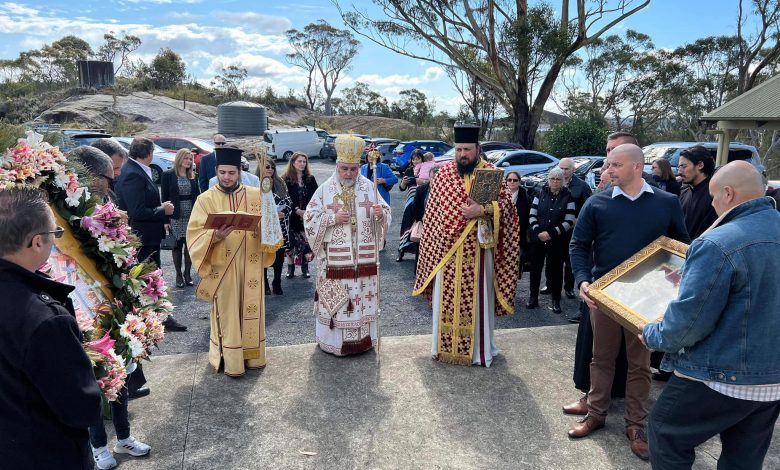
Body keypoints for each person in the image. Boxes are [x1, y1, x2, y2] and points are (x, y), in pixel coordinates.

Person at [642, 161, 780, 469]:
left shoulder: (717, 242)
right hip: (772, 380)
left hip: (720, 375)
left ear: (728, 193)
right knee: (744, 458)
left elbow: (688, 324)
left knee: (665, 432)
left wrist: (652, 335)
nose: (713, 204)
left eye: (715, 198)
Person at [567, 143, 690, 461]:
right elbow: (578, 244)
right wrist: (583, 280)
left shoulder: (667, 203)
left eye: (615, 165)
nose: (608, 170)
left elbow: (681, 247)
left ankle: (636, 425)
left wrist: (670, 283)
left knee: (640, 365)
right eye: (608, 164)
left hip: (646, 303)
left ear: (638, 167)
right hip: (604, 297)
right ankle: (596, 414)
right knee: (601, 359)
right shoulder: (597, 203)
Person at [0, 187, 102, 470]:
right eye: (55, 234)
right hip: (42, 452)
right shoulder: (44, 319)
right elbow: (81, 408)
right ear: (36, 242)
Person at [413, 124, 520, 367]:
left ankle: (479, 352)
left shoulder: (491, 173)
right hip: (447, 253)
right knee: (447, 302)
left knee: (479, 301)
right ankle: (443, 348)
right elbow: (433, 215)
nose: (462, 154)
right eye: (459, 149)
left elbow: (508, 209)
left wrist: (481, 210)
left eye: (467, 149)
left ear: (478, 149)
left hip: (481, 253)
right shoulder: (443, 174)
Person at [187, 146, 283, 377]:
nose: (227, 177)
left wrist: (266, 223)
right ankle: (231, 360)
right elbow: (194, 234)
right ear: (216, 172)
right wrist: (215, 236)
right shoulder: (205, 199)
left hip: (251, 262)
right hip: (223, 267)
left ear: (239, 171)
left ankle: (253, 357)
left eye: (231, 172)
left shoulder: (255, 194)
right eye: (222, 173)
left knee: (252, 311)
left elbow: (272, 233)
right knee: (228, 314)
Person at [303, 135, 391, 356]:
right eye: (344, 169)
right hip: (335, 262)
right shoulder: (324, 190)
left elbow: (384, 212)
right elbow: (310, 217)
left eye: (353, 169)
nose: (349, 174)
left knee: (362, 301)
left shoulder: (369, 187)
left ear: (359, 167)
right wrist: (331, 219)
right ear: (337, 166)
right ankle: (332, 342)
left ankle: (363, 340)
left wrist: (380, 215)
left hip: (364, 263)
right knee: (338, 304)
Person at [115, 137, 187, 332]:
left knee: (151, 278)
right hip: (143, 237)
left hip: (147, 236)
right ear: (148, 154)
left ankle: (156, 316)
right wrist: (163, 210)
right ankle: (160, 318)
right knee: (151, 279)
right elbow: (136, 211)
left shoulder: (135, 169)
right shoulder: (133, 174)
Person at [526, 168, 576, 314]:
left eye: (558, 179)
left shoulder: (569, 197)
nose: (555, 181)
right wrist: (538, 232)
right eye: (552, 179)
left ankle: (556, 300)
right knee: (535, 269)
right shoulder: (539, 193)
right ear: (548, 179)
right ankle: (533, 298)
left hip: (558, 241)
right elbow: (532, 215)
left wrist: (551, 233)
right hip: (538, 239)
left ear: (563, 181)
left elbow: (570, 220)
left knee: (555, 271)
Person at [551, 158, 593, 300]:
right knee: (552, 258)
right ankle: (550, 284)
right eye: (561, 168)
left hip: (572, 229)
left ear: (573, 169)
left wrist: (577, 221)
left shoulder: (582, 186)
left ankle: (568, 287)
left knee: (569, 260)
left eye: (567, 169)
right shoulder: (553, 181)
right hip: (555, 228)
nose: (563, 171)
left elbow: (588, 207)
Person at [161, 149, 200, 288]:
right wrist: (165, 220)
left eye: (190, 159)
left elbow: (198, 196)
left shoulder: (193, 176)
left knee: (189, 247)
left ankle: (187, 274)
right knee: (177, 246)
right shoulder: (168, 175)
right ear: (179, 159)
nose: (189, 161)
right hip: (175, 217)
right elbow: (164, 198)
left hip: (191, 215)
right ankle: (178, 274)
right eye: (186, 158)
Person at [257, 156, 292, 295]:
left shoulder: (280, 182)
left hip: (280, 226)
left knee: (279, 258)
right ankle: (264, 282)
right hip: (264, 227)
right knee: (264, 256)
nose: (270, 169)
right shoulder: (255, 183)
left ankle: (277, 281)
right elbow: (253, 205)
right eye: (267, 167)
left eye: (272, 167)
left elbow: (289, 201)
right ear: (261, 168)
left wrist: (284, 211)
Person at [282, 151, 318, 279]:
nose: (302, 164)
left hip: (307, 216)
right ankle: (290, 269)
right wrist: (296, 210)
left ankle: (305, 268)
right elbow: (285, 198)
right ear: (293, 162)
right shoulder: (285, 179)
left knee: (305, 243)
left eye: (304, 161)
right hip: (292, 216)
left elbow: (316, 196)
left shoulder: (310, 178)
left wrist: (308, 211)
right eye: (299, 161)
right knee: (291, 243)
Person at [678, 145, 717, 239]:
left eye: (684, 166)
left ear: (700, 165)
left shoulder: (715, 194)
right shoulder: (684, 191)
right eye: (679, 167)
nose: (679, 171)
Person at [396, 150, 424, 262]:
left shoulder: (426, 169)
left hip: (422, 202)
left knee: (421, 227)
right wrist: (404, 182)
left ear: (422, 159)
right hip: (410, 202)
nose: (416, 161)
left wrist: (420, 181)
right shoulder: (408, 170)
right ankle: (401, 251)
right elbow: (401, 188)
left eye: (418, 158)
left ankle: (421, 254)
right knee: (406, 225)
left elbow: (430, 183)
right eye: (414, 159)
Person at [505, 171, 530, 276]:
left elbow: (527, 220)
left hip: (518, 237)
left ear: (519, 182)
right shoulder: (499, 196)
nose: (512, 182)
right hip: (502, 236)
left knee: (514, 266)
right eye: (509, 180)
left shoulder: (526, 199)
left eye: (515, 180)